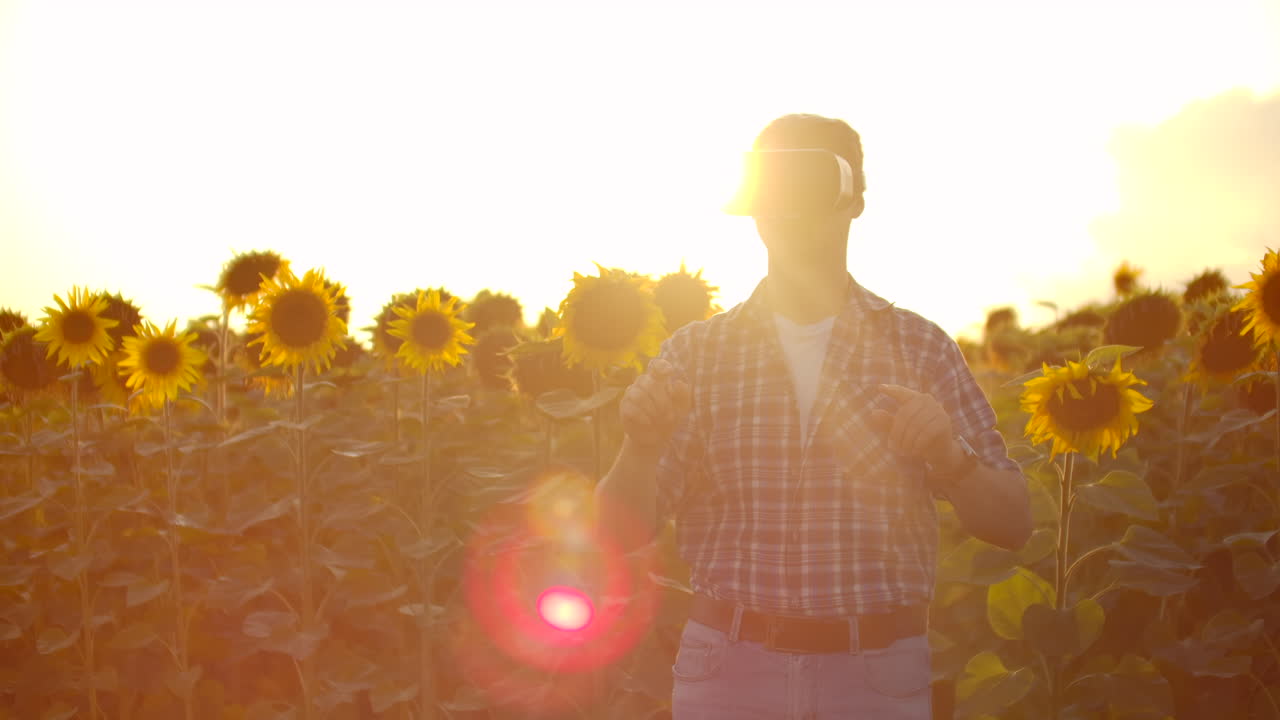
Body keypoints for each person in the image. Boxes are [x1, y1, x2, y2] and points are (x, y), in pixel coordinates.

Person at [594, 113, 1034, 719]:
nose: (785, 205)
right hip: (730, 673)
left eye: (806, 182)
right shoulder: (695, 356)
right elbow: (616, 535)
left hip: (874, 678)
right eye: (770, 187)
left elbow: (1014, 521)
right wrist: (639, 448)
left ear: (853, 200)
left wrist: (949, 457)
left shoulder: (920, 347)